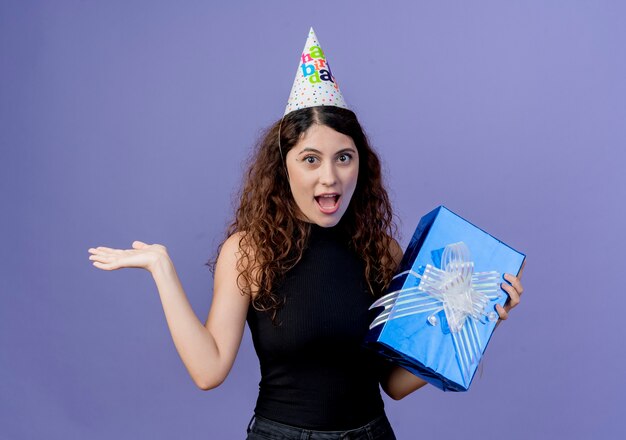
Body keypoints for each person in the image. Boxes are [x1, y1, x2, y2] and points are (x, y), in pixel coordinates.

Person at [88, 29, 524, 440]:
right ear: (285, 167)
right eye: (311, 159)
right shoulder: (249, 252)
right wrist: (162, 269)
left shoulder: (382, 252)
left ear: (361, 165)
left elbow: (393, 382)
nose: (329, 177)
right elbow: (209, 370)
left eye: (344, 158)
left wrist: (478, 318)